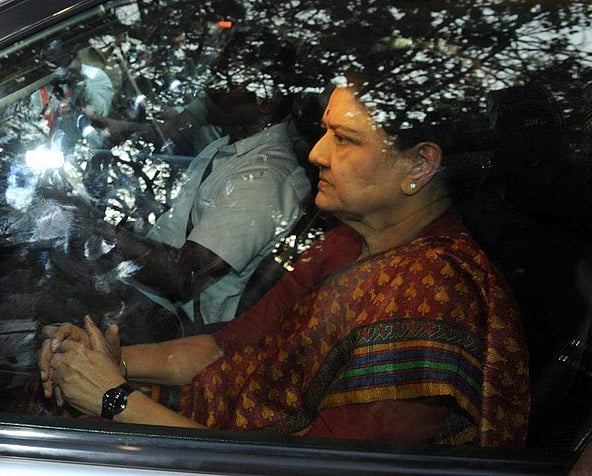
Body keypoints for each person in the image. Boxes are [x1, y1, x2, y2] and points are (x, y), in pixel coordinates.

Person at [38, 79, 530, 447]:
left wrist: (116, 399)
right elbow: (224, 348)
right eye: (325, 133)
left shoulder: (432, 299)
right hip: (228, 432)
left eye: (345, 139)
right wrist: (108, 360)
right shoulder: (347, 243)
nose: (316, 153)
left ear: (419, 165)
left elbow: (315, 467)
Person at [102, 31, 312, 337]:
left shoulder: (263, 179)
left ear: (266, 98)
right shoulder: (227, 149)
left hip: (172, 327)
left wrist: (103, 232)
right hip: (146, 299)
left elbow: (180, 278)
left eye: (223, 79)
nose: (209, 87)